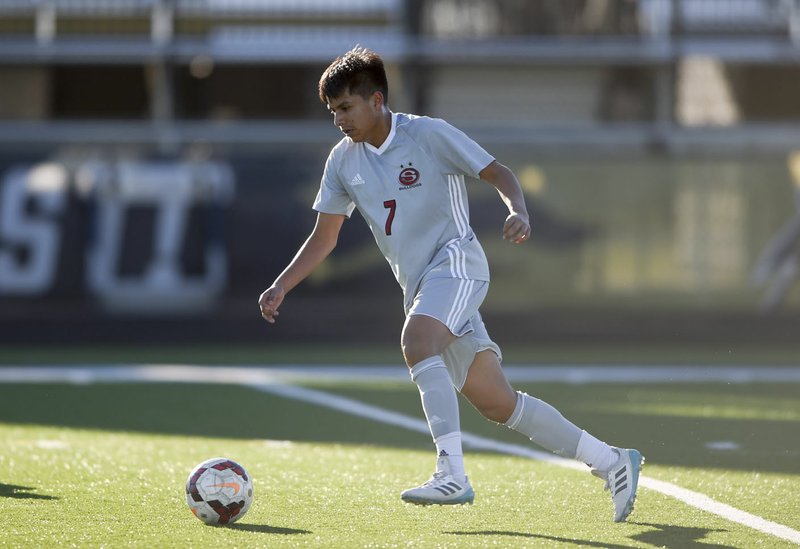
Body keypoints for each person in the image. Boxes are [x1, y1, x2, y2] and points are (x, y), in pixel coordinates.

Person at [258, 46, 644, 522]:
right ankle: (613, 461)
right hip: (422, 288)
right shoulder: (342, 161)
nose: (338, 119)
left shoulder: (428, 134)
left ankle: (452, 475)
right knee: (497, 403)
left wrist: (517, 209)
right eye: (332, 111)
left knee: (416, 341)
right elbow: (325, 236)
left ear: (376, 100)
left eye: (345, 108)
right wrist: (282, 285)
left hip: (458, 264)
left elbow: (498, 173)